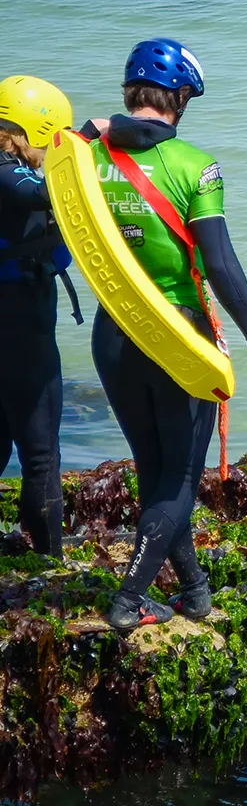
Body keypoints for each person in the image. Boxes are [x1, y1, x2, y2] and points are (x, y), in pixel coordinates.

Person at [84, 39, 247, 630]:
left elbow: (48, 169)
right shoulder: (196, 165)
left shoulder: (86, 158)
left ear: (128, 93)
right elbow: (219, 261)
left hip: (112, 334)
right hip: (177, 336)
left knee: (155, 470)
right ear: (182, 98)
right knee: (180, 479)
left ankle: (193, 587)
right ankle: (128, 599)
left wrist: (96, 128)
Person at [0, 75, 77, 558]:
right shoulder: (12, 174)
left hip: (14, 318)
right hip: (20, 321)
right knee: (42, 452)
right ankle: (51, 563)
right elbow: (48, 189)